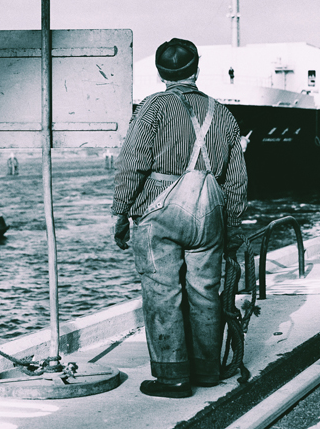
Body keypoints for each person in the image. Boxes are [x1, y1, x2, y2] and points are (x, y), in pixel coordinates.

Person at [112, 38, 248, 398]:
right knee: (205, 290)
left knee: (162, 292)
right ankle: (207, 371)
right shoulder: (223, 113)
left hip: (159, 208)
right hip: (209, 211)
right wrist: (232, 224)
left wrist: (120, 212)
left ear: (160, 73)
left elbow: (132, 163)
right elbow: (237, 179)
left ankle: (172, 377)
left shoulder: (152, 107)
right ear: (196, 68)